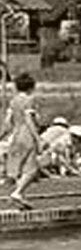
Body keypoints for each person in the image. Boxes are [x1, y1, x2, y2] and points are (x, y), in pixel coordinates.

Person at [2, 73, 42, 209]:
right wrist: (38, 138)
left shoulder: (13, 101)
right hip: (27, 136)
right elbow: (29, 120)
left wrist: (2, 135)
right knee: (32, 170)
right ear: (31, 87)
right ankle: (18, 193)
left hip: (15, 135)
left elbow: (8, 122)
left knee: (21, 169)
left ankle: (19, 195)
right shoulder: (29, 100)